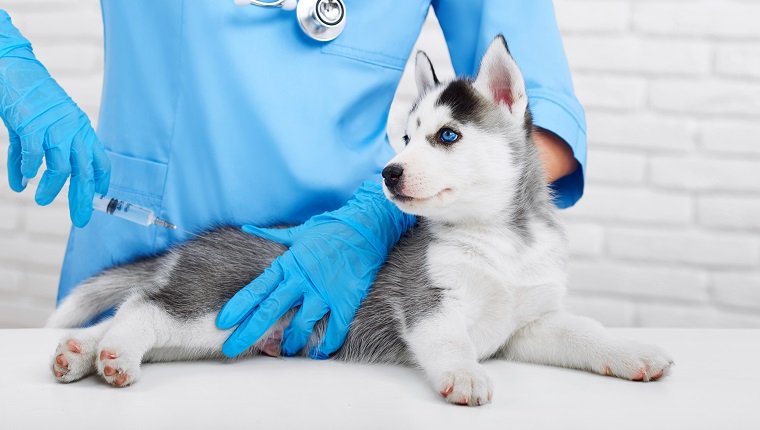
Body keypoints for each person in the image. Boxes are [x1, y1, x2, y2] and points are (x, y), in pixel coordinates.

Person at [0, 1, 585, 359]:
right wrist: (8, 62)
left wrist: (374, 216)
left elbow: (539, 129)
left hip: (341, 288)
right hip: (145, 243)